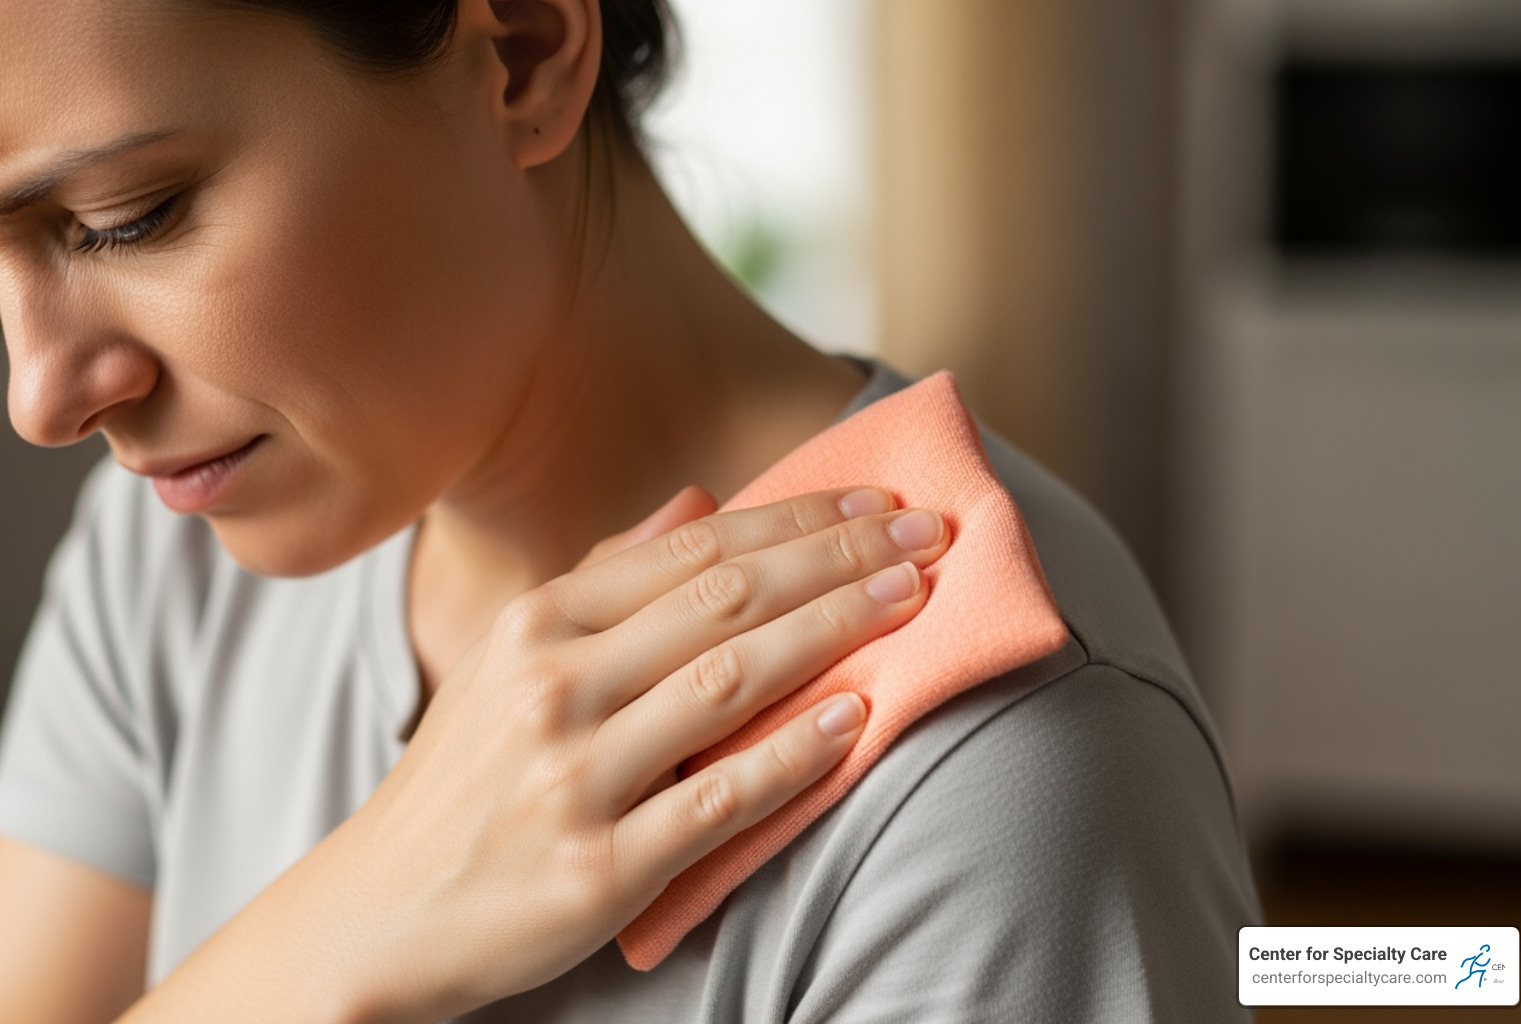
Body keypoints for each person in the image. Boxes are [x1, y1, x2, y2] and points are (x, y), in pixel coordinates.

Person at [0, 0, 1262, 1020]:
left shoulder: (995, 771)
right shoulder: (172, 545)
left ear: (529, 54)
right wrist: (330, 941)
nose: (41, 398)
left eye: (128, 219)